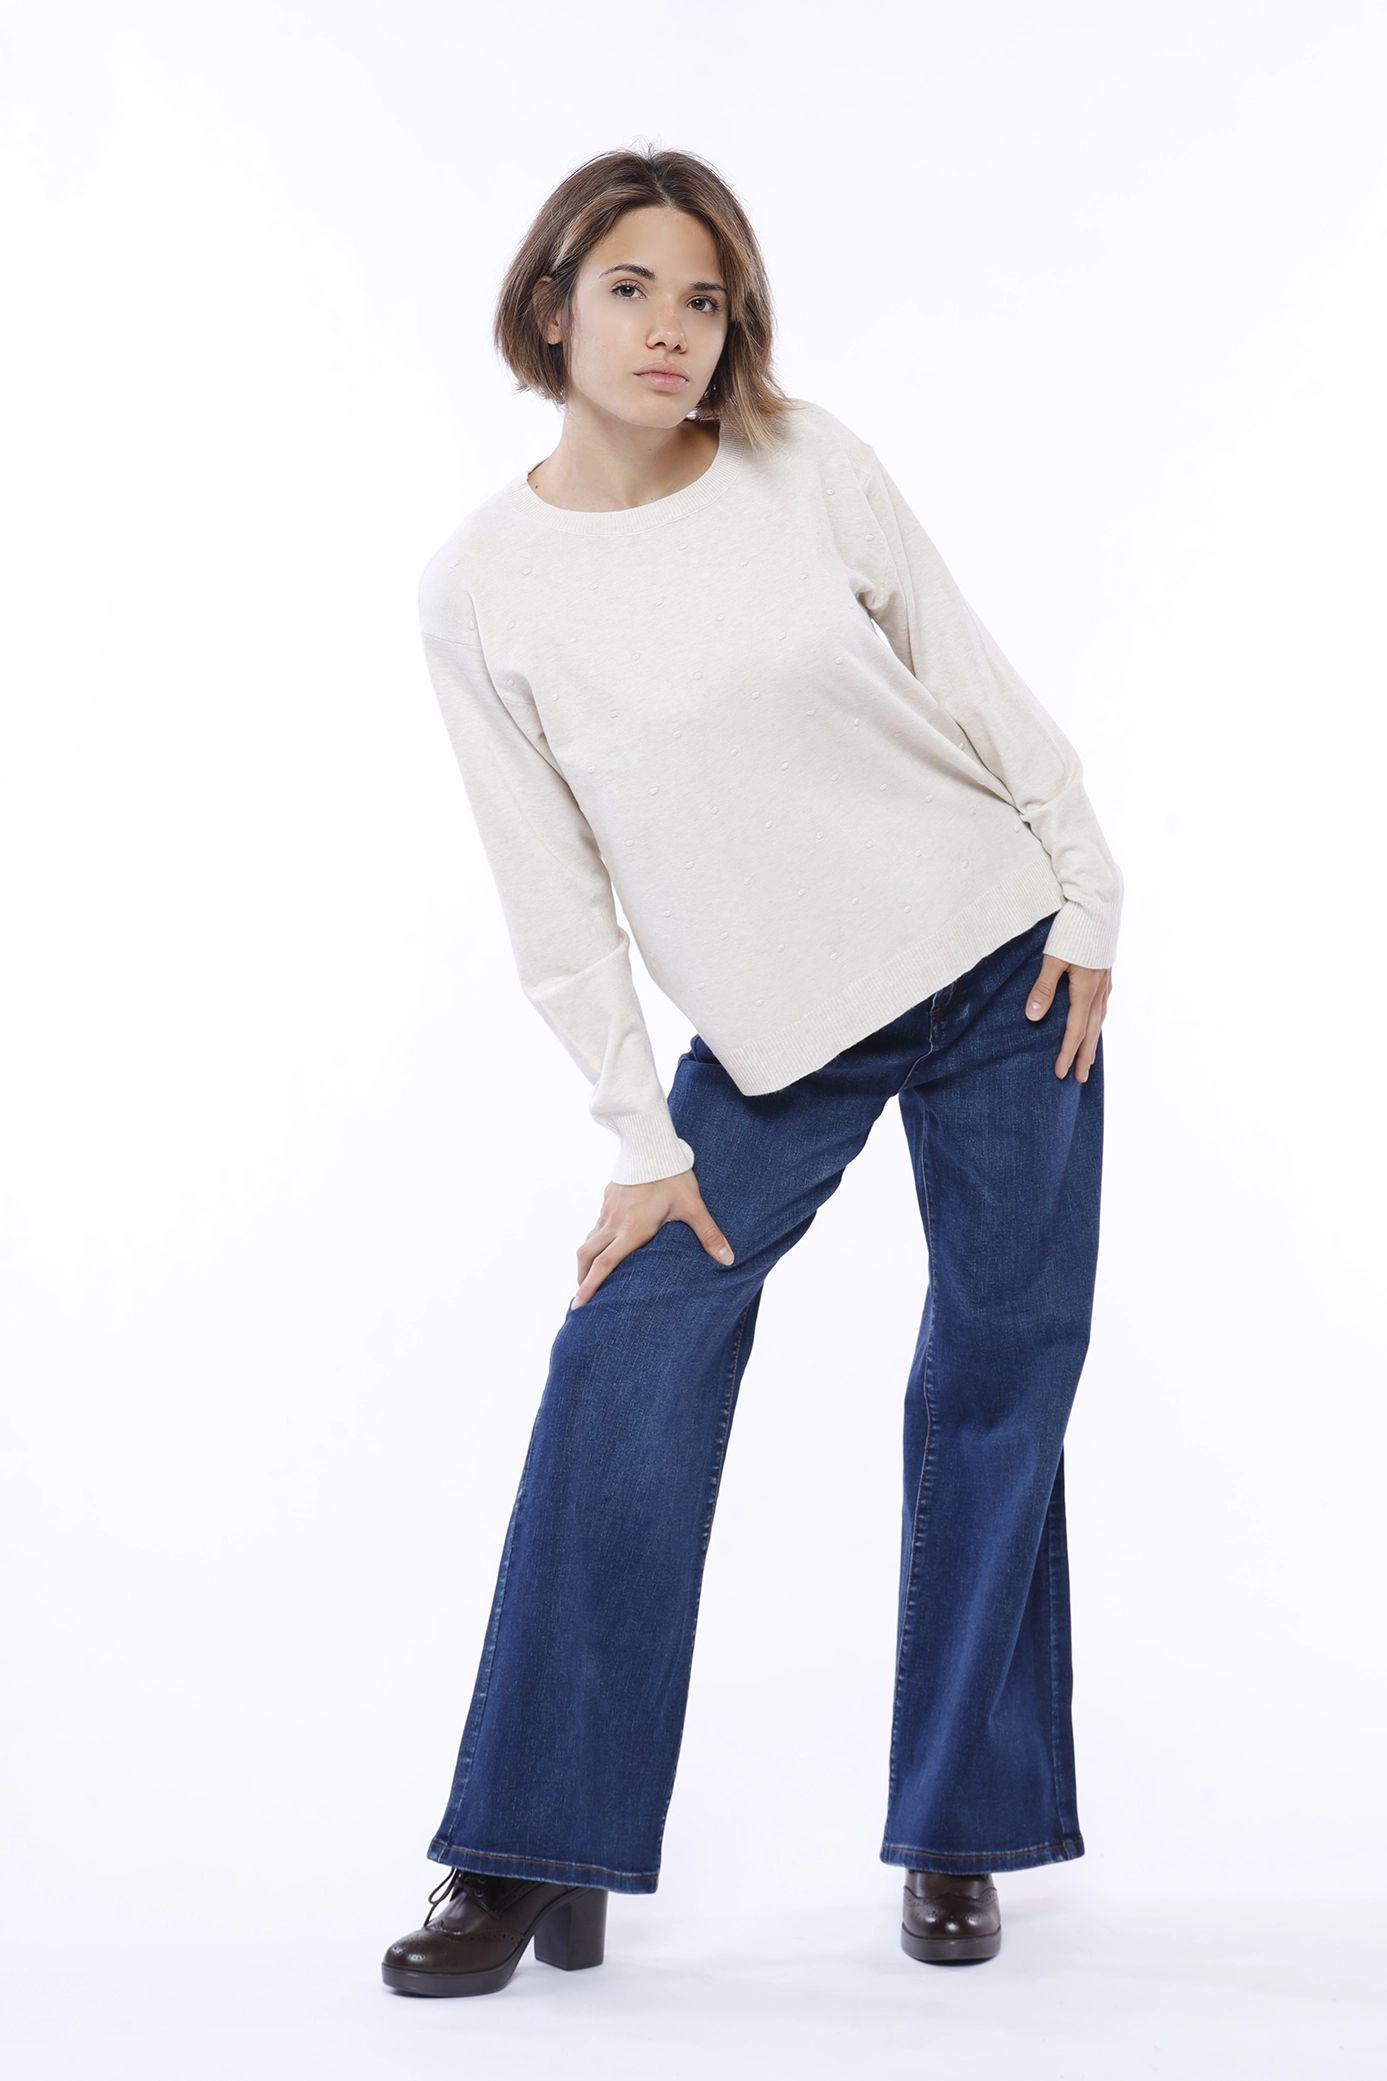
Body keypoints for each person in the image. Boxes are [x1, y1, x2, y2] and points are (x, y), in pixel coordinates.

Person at [382, 146, 1120, 1999]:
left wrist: (1089, 890)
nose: (671, 331)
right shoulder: (483, 588)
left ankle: (960, 1828)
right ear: (549, 304)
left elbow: (972, 677)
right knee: (621, 1361)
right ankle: (529, 1849)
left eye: (703, 298)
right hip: (780, 1040)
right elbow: (554, 897)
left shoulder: (809, 465)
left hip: (1002, 965)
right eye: (630, 288)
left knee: (999, 1385)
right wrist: (638, 1134)